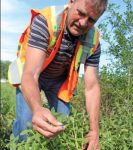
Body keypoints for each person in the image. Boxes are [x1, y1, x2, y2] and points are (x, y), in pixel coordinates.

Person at [11, 0, 108, 149]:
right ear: (71, 2)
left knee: (62, 124)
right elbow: (31, 74)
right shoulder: (46, 21)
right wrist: (37, 108)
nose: (83, 23)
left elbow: (92, 87)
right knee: (26, 122)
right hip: (31, 76)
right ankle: (18, 143)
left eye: (91, 20)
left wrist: (94, 131)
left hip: (58, 82)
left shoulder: (94, 40)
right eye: (81, 13)